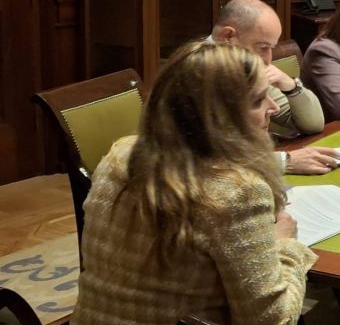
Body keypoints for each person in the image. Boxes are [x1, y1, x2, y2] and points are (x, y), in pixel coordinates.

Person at [75, 41, 315, 325]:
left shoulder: (119, 154)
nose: (273, 108)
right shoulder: (239, 191)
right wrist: (285, 246)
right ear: (219, 117)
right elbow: (272, 320)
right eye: (258, 100)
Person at [210, 0, 340, 175]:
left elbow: (313, 124)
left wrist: (290, 86)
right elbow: (205, 159)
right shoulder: (195, 73)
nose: (268, 59)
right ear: (228, 36)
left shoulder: (249, 68)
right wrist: (282, 161)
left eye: (271, 48)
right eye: (263, 47)